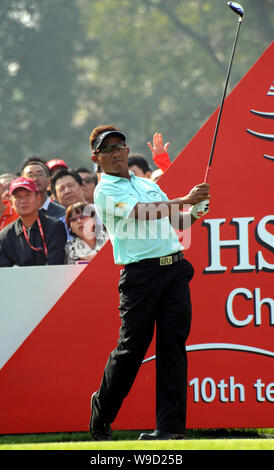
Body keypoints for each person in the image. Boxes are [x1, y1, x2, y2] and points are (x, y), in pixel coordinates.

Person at [88, 125, 210, 441]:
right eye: (108, 150)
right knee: (132, 349)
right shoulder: (105, 191)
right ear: (97, 158)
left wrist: (195, 212)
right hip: (140, 277)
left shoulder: (146, 184)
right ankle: (102, 413)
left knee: (173, 347)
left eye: (119, 147)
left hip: (175, 271)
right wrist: (185, 198)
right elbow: (141, 214)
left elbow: (174, 221)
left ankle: (170, 428)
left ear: (127, 151)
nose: (116, 153)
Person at [0, 177, 67, 267]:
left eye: (28, 195)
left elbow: (55, 264)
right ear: (11, 202)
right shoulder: (5, 235)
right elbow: (5, 271)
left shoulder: (55, 227)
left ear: (38, 198)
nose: (23, 201)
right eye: (18, 197)